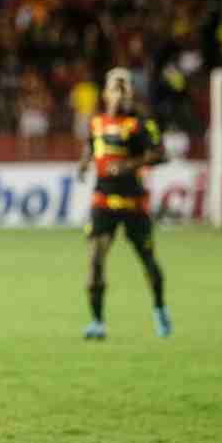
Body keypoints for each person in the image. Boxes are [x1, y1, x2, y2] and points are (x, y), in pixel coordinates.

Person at [77, 68, 172, 340]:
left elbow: (160, 154)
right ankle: (97, 322)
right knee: (95, 259)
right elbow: (91, 146)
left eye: (123, 89)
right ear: (106, 93)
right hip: (103, 200)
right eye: (114, 89)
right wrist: (84, 163)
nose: (118, 95)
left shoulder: (140, 124)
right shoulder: (96, 123)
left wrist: (129, 165)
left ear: (129, 93)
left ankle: (160, 308)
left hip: (133, 202)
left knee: (148, 260)